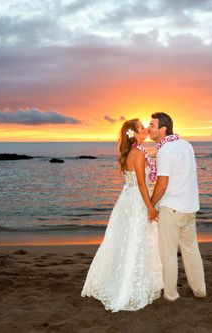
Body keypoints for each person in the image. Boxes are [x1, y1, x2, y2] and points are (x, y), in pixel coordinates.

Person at [81, 119, 163, 312]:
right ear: (133, 134)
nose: (145, 130)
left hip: (126, 199)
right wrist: (150, 207)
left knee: (123, 240)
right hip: (137, 200)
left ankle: (118, 281)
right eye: (142, 128)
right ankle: (129, 286)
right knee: (137, 239)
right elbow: (142, 185)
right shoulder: (138, 154)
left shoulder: (127, 153)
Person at [148, 112, 207, 302]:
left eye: (152, 125)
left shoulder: (165, 150)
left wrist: (150, 205)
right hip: (190, 208)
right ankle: (200, 291)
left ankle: (171, 295)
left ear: (163, 129)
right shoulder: (186, 144)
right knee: (191, 251)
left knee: (169, 255)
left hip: (172, 208)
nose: (149, 128)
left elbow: (162, 184)